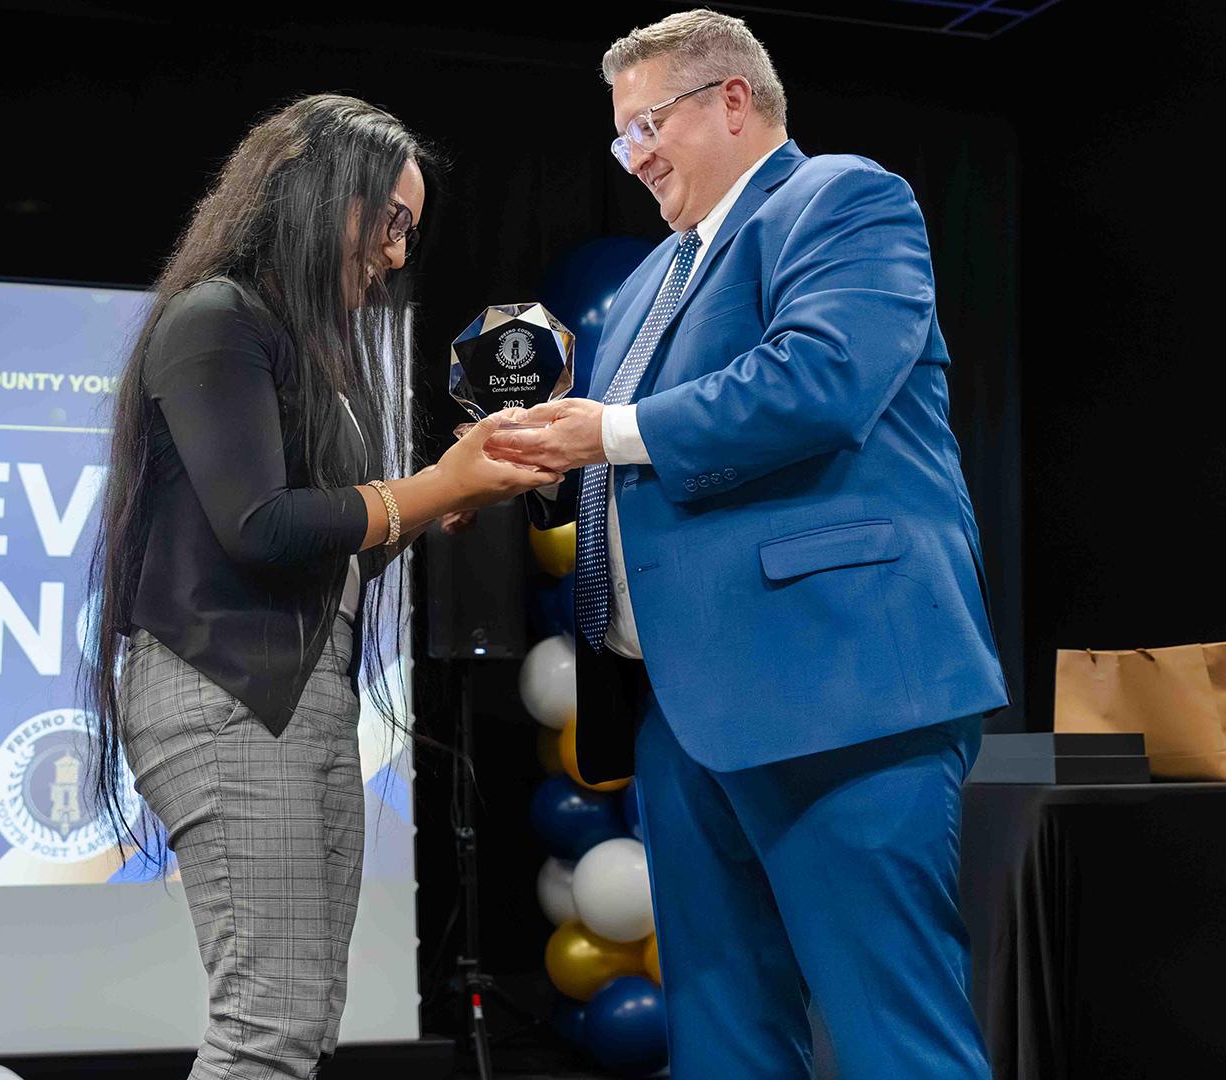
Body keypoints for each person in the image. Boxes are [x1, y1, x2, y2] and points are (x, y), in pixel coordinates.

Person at [487, 10, 1007, 1077]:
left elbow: (823, 379)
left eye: (648, 125)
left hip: (840, 692)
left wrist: (609, 431)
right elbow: (615, 460)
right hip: (681, 713)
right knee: (721, 1049)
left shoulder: (845, 200)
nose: (634, 158)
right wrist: (533, 463)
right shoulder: (642, 285)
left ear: (733, 101)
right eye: (620, 138)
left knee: (891, 1037)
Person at [85, 94, 559, 1079]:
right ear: (312, 194)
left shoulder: (303, 353)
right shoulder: (215, 321)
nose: (395, 257)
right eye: (387, 222)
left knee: (297, 1021)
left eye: (409, 235)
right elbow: (260, 528)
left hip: (296, 695)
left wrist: (441, 500)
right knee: (267, 1028)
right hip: (226, 696)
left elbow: (327, 546)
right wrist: (431, 486)